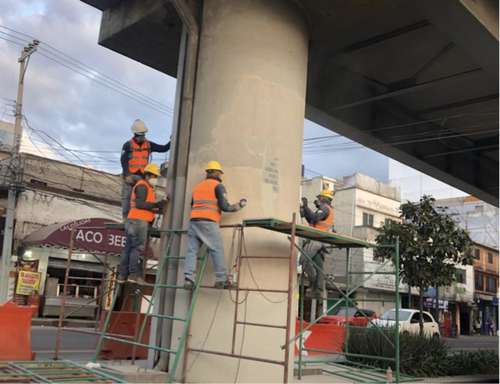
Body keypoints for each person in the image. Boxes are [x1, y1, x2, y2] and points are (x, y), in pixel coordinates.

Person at [184, 161, 247, 289]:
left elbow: (192, 204)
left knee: (191, 251)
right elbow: (225, 207)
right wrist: (239, 205)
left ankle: (188, 279)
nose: (220, 175)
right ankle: (221, 279)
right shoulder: (218, 186)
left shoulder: (198, 187)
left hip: (194, 221)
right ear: (216, 172)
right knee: (216, 249)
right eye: (219, 173)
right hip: (208, 222)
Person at [119, 163, 166, 284]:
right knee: (137, 249)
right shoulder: (143, 186)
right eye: (154, 176)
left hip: (132, 220)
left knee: (128, 248)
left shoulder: (144, 186)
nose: (156, 179)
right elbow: (140, 204)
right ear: (148, 175)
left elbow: (143, 205)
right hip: (138, 221)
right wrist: (157, 205)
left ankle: (123, 275)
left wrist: (155, 207)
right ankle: (133, 275)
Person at [120, 119, 171, 220]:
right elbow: (123, 160)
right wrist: (127, 175)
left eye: (143, 135)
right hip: (130, 175)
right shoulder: (127, 145)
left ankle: (141, 218)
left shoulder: (148, 145)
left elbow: (163, 148)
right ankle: (126, 219)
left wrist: (171, 141)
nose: (142, 137)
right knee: (127, 198)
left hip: (142, 177)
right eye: (140, 135)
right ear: (135, 134)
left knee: (142, 198)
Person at [299, 189, 335, 298]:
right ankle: (317, 289)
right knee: (318, 265)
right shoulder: (324, 209)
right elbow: (312, 219)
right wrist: (305, 210)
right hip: (319, 240)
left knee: (303, 260)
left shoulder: (325, 209)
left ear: (324, 199)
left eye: (319, 198)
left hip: (316, 239)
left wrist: (305, 207)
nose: (318, 200)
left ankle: (313, 283)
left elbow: (314, 218)